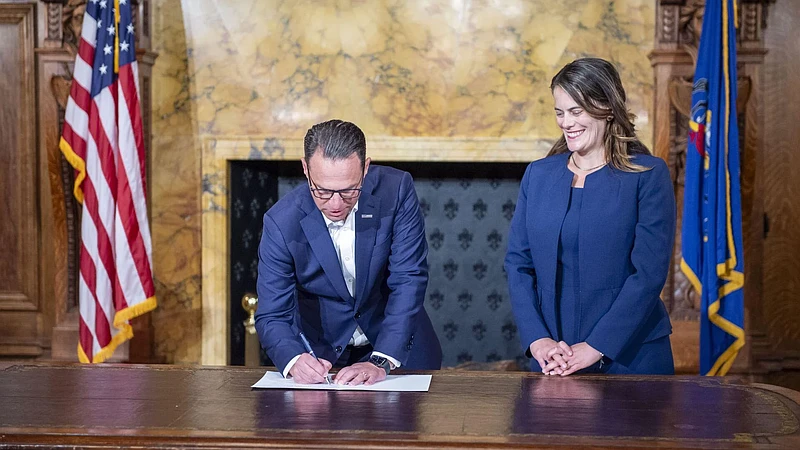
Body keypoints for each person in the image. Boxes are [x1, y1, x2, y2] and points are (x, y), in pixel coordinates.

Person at [505, 58, 676, 376]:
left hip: (630, 358)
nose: (565, 122)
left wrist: (597, 346)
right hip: (551, 358)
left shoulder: (648, 175)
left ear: (608, 108)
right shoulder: (539, 175)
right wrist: (538, 340)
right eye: (559, 112)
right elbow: (518, 264)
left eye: (576, 111)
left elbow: (648, 275)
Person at [255, 119, 442, 385]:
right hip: (324, 357)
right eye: (321, 190)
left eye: (348, 191)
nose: (334, 204)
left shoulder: (396, 190)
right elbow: (273, 314)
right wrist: (295, 359)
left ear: (365, 168)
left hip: (397, 351)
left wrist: (382, 360)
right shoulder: (281, 222)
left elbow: (408, 278)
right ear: (305, 168)